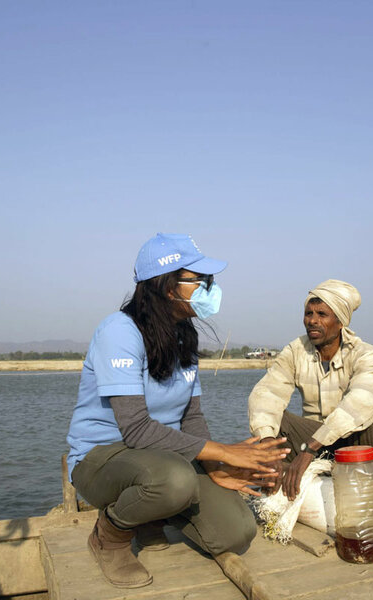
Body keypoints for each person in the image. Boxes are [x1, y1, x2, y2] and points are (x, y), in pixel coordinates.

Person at [66, 233, 288, 589]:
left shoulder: (184, 334)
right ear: (168, 287)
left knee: (237, 532)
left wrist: (216, 467)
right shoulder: (119, 332)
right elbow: (136, 429)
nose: (209, 288)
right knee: (174, 480)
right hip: (105, 457)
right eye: (201, 280)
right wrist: (225, 452)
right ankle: (111, 534)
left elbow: (191, 417)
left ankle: (153, 513)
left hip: (166, 457)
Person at [247, 279, 373, 501]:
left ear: (340, 322)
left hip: (353, 444)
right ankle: (281, 475)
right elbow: (268, 394)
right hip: (314, 444)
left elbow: (363, 399)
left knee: (367, 415)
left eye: (322, 314)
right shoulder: (295, 351)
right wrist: (268, 448)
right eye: (308, 313)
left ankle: (356, 480)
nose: (312, 321)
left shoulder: (364, 353)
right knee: (273, 420)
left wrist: (310, 448)